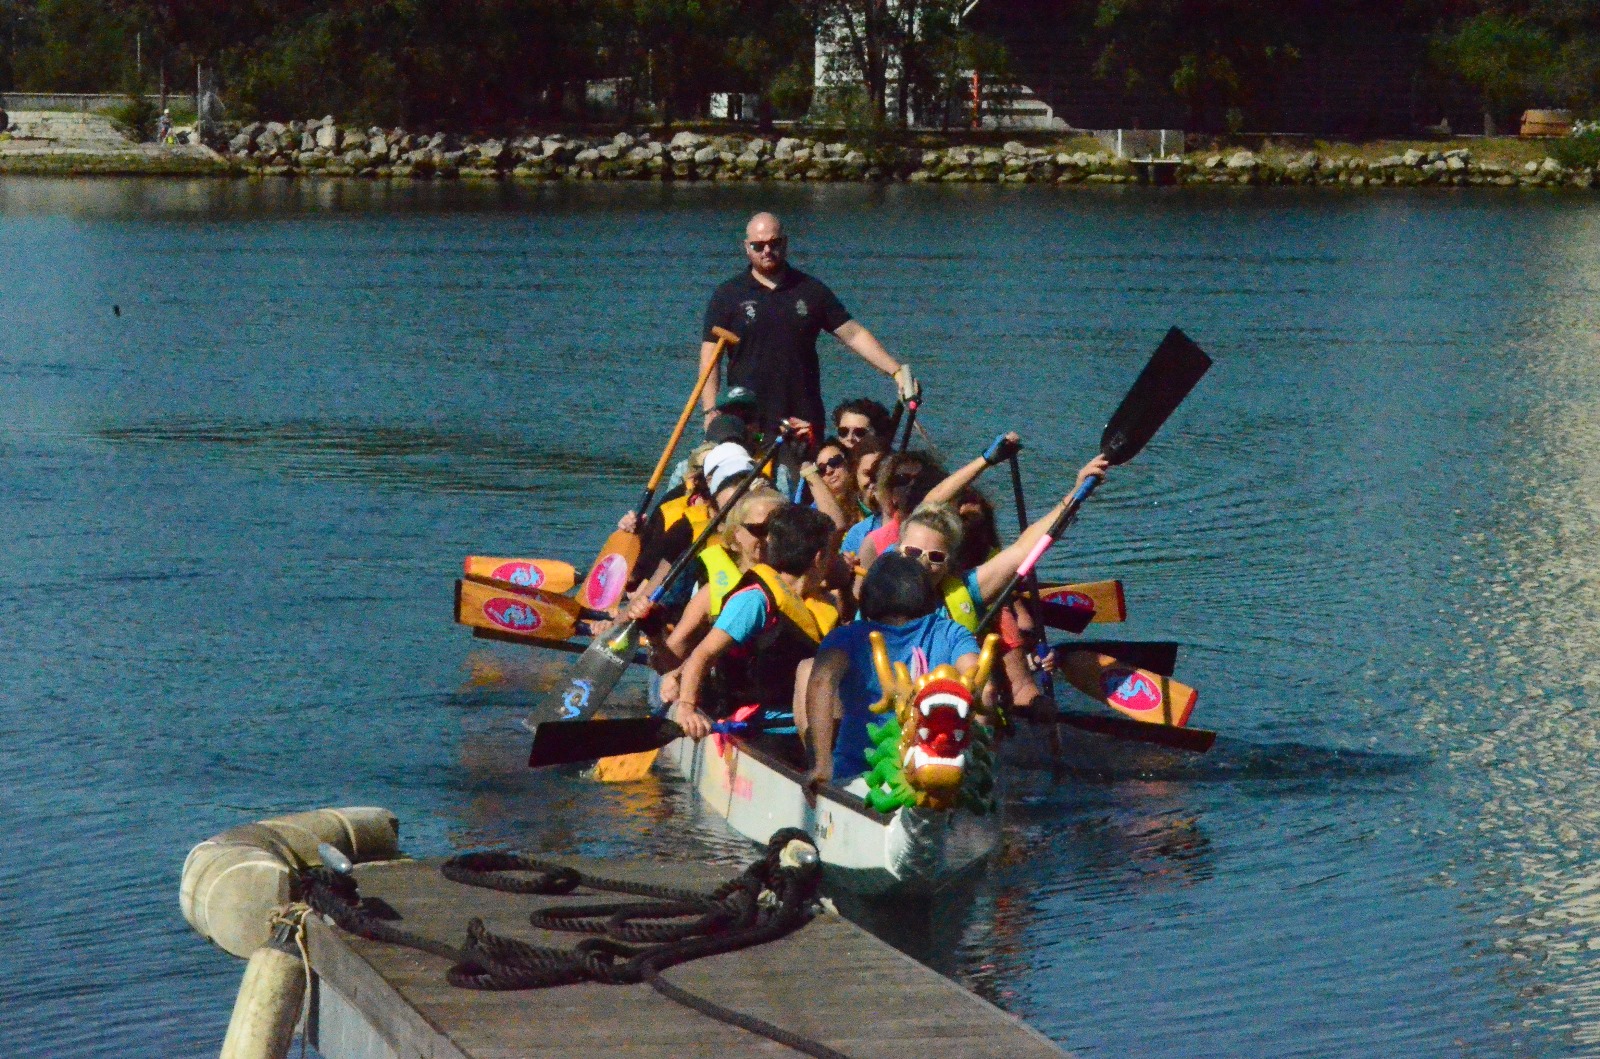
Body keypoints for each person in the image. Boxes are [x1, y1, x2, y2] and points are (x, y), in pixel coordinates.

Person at [698, 212, 919, 468]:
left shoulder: (811, 290)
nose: (767, 250)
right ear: (746, 247)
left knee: (801, 490)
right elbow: (709, 357)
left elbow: (853, 333)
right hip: (747, 418)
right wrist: (711, 411)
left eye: (774, 243)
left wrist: (896, 371)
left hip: (802, 418)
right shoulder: (727, 295)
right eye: (758, 246)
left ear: (785, 243)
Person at [663, 505, 840, 752]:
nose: (839, 559)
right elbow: (702, 654)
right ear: (819, 557)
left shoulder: (824, 603)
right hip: (758, 730)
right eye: (835, 552)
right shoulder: (755, 601)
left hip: (806, 725)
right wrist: (686, 708)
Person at [803, 553, 985, 789]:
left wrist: (822, 763)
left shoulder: (846, 637)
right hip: (936, 771)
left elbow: (821, 683)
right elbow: (984, 688)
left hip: (860, 774)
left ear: (867, 599)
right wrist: (978, 762)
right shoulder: (953, 632)